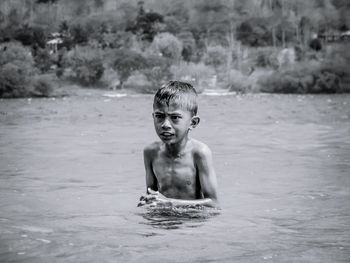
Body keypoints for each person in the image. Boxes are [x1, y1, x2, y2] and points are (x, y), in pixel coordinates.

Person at [138, 81, 219, 208]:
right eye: (159, 116)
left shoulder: (199, 153)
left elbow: (214, 204)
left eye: (175, 117)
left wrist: (170, 203)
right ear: (153, 117)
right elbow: (152, 195)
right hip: (163, 221)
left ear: (193, 123)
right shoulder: (150, 152)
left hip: (191, 223)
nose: (165, 125)